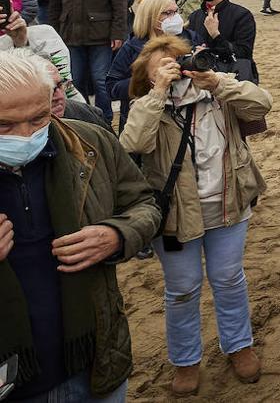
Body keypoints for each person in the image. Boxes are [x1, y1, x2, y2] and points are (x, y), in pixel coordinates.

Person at [0, 47, 161, 402]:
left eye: (39, 118)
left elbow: (143, 204)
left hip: (93, 364)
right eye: (5, 125)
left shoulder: (92, 141)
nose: (25, 135)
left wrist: (117, 235)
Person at [118, 35, 272, 396]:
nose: (177, 72)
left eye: (179, 63)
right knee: (182, 289)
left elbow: (262, 104)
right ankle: (186, 360)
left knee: (229, 278)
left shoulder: (218, 96)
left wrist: (218, 81)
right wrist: (158, 91)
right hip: (175, 215)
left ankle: (239, 346)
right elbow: (133, 143)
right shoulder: (148, 105)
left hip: (227, 204)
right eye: (165, 68)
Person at [44, 0, 127, 125]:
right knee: (74, 81)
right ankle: (80, 121)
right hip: (70, 35)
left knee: (101, 81)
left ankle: (105, 121)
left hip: (101, 34)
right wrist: (53, 34)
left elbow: (119, 2)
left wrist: (118, 33)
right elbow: (55, 4)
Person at [104, 0, 192, 123]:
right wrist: (145, 79)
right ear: (151, 17)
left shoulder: (189, 38)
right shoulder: (132, 47)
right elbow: (112, 88)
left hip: (182, 115)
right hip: (143, 117)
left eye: (176, 12)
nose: (174, 17)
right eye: (168, 13)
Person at [185, 0, 257, 78]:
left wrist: (216, 35)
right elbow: (187, 45)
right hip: (200, 74)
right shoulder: (195, 16)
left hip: (231, 75)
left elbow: (244, 53)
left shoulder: (242, 15)